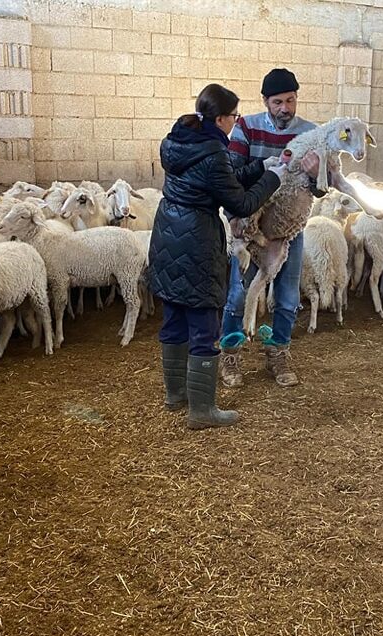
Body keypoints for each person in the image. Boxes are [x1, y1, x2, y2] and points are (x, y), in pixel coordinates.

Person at [149, 84, 288, 430]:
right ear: (223, 118)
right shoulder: (212, 152)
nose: (236, 122)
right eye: (235, 117)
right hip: (196, 238)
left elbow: (218, 179)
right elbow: (239, 202)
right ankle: (202, 410)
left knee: (174, 316)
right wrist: (275, 178)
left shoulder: (178, 140)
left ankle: (176, 393)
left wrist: (259, 167)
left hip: (168, 234)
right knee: (202, 322)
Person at [221, 68, 324, 389]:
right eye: (277, 101)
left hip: (289, 230)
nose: (285, 108)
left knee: (289, 297)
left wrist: (318, 173)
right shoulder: (246, 127)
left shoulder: (312, 133)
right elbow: (232, 174)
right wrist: (266, 171)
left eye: (290, 100)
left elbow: (321, 190)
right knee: (238, 296)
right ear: (265, 101)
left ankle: (278, 351)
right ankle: (230, 354)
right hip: (251, 228)